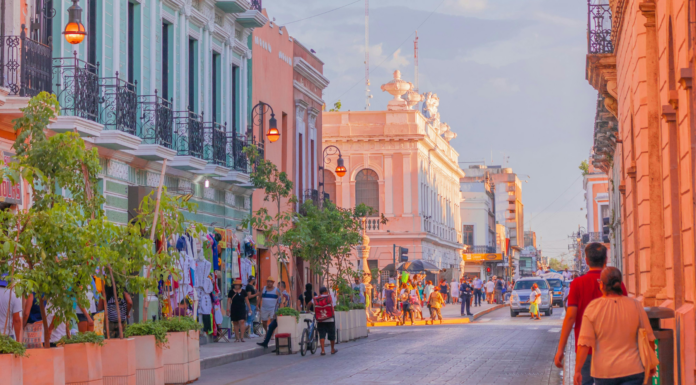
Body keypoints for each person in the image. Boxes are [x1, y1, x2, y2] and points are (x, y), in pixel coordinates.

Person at [554, 243, 628, 385]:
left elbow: (570, 317)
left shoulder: (577, 283)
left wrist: (561, 349)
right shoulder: (617, 284)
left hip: (585, 350)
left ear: (586, 261)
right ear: (606, 260)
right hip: (613, 349)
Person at [574, 267, 655, 385]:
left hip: (604, 372)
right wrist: (650, 362)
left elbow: (584, 344)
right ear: (620, 284)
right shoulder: (635, 305)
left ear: (601, 285)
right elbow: (649, 337)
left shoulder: (593, 308)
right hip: (633, 370)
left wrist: (577, 371)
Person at [312, 287, 337, 355]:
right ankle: (332, 350)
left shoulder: (316, 298)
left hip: (320, 319)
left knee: (322, 334)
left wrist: (308, 310)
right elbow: (334, 306)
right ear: (326, 291)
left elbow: (309, 303)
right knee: (332, 334)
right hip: (330, 319)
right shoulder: (330, 297)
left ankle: (323, 350)